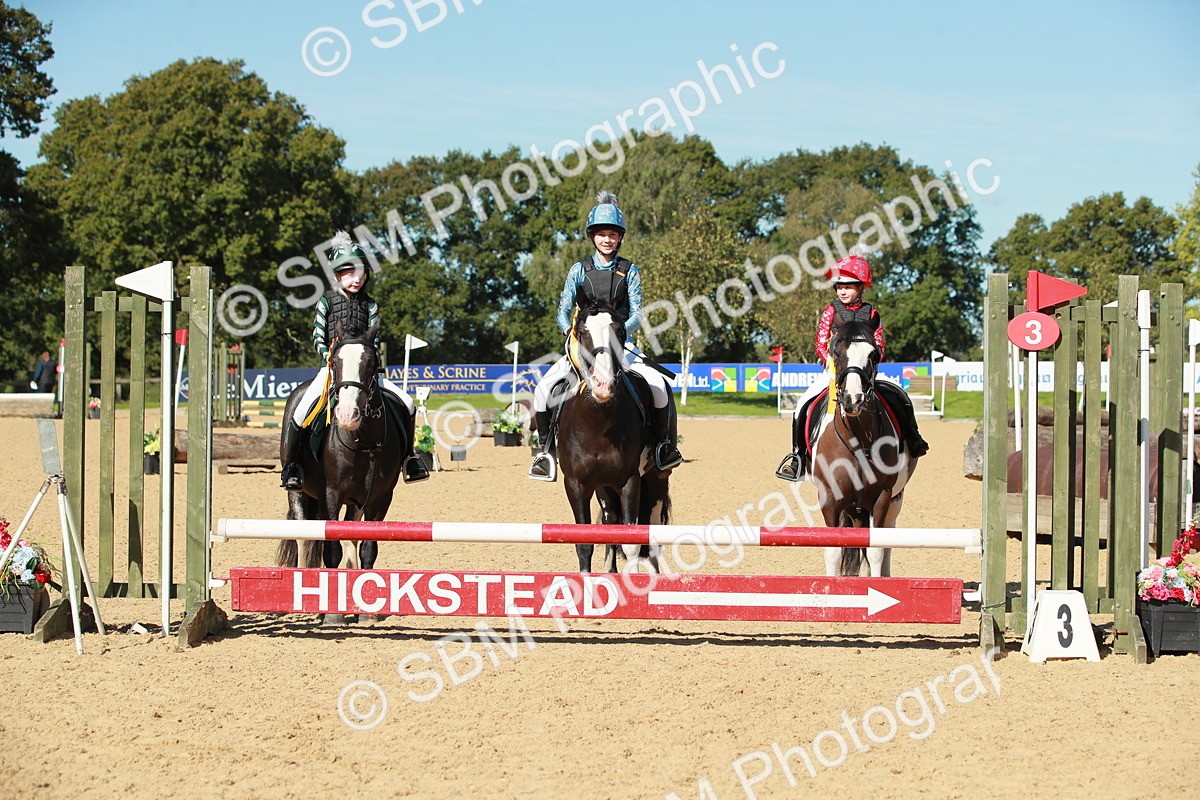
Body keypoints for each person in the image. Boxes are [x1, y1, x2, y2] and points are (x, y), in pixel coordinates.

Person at [528, 190, 683, 482]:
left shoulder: (629, 271)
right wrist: (570, 331)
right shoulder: (578, 270)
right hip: (583, 346)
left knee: (658, 386)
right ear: (592, 237)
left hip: (619, 344)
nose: (607, 239)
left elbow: (637, 311)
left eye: (612, 234)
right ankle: (545, 453)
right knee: (543, 390)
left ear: (620, 237)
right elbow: (563, 309)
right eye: (601, 234)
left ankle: (663, 447)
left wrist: (620, 333)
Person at [280, 231, 429, 489]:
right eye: (349, 273)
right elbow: (317, 334)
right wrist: (326, 353)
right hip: (332, 370)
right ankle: (291, 465)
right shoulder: (326, 301)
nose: (356, 279)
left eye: (360, 273)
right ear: (337, 275)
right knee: (301, 409)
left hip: (364, 374)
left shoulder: (370, 305)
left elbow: (374, 339)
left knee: (408, 402)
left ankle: (409, 459)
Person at [775, 249, 928, 482]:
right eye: (839, 286)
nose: (842, 290)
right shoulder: (832, 311)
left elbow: (880, 344)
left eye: (848, 286)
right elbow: (820, 340)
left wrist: (870, 361)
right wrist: (829, 360)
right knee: (802, 405)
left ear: (861, 288)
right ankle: (798, 456)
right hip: (835, 372)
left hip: (866, 374)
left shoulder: (871, 313)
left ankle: (913, 438)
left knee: (901, 397)